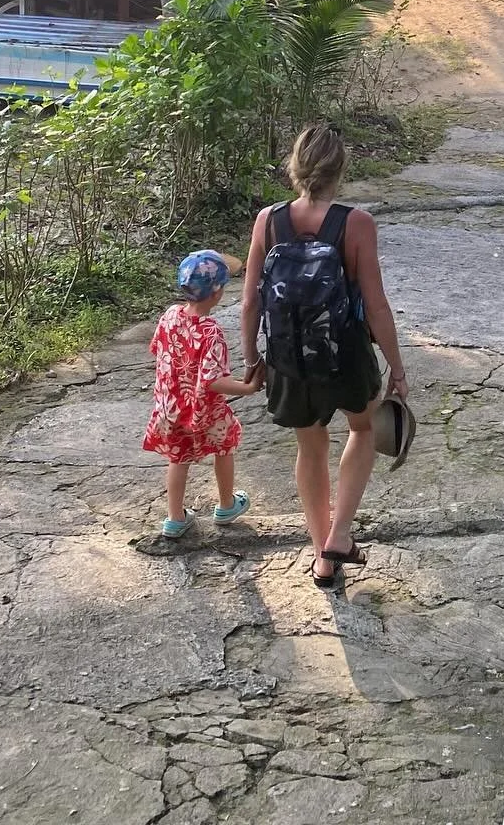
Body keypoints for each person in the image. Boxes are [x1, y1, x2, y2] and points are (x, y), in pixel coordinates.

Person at [240, 122, 409, 589]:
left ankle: (323, 558)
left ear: (294, 168)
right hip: (346, 351)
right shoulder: (355, 223)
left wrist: (253, 356)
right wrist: (396, 365)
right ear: (341, 170)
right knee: (362, 428)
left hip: (288, 356)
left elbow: (251, 299)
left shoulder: (268, 220)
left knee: (310, 447)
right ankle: (339, 533)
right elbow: (374, 303)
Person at [142, 249, 260, 539]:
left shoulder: (170, 315)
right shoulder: (210, 331)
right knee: (226, 444)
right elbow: (213, 381)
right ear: (217, 292)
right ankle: (226, 505)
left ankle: (175, 518)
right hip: (204, 409)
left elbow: (157, 349)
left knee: (178, 457)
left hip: (170, 405)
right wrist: (248, 387)